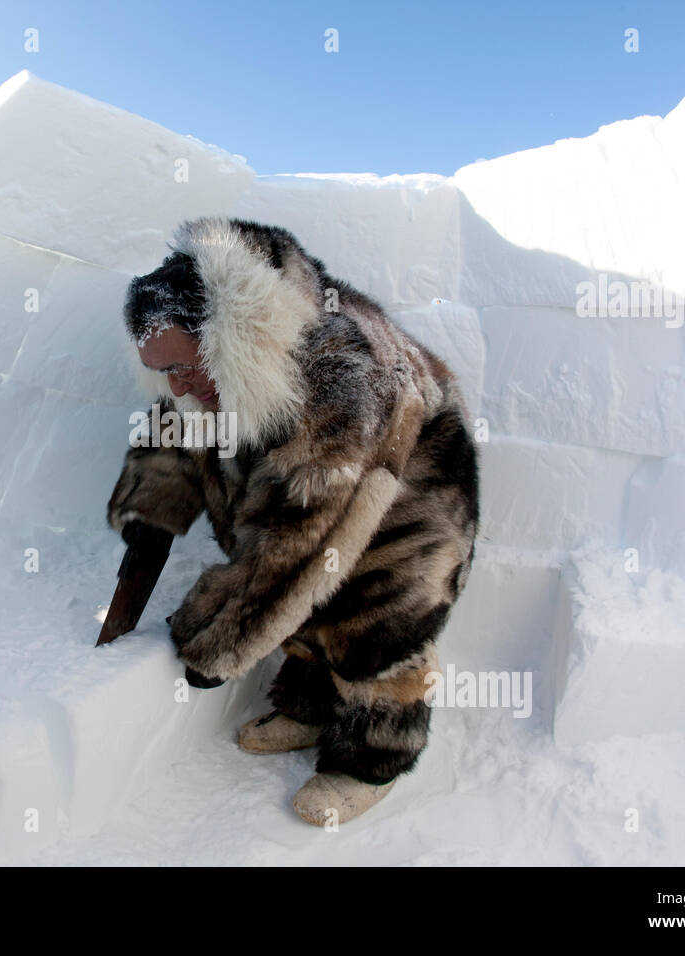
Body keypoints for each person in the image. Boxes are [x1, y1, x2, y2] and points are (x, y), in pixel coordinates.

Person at [106, 217, 480, 825]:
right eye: (163, 369)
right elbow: (176, 430)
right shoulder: (201, 365)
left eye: (185, 366)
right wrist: (152, 507)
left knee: (372, 611)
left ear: (230, 334)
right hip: (325, 486)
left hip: (417, 493)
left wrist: (220, 642)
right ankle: (309, 706)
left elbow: (301, 545)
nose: (177, 384)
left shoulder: (339, 364)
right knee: (278, 563)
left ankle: (375, 755)